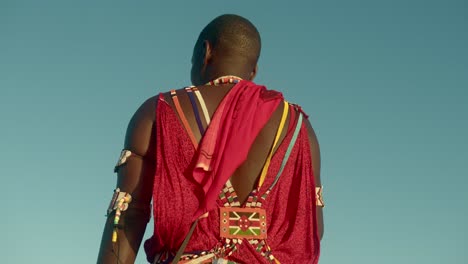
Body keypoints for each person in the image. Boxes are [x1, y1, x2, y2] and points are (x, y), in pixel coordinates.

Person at [97, 14, 324, 264]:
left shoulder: (160, 111)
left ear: (205, 52)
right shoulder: (299, 126)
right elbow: (313, 229)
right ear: (254, 70)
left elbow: (126, 216)